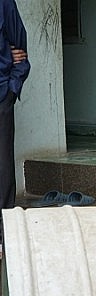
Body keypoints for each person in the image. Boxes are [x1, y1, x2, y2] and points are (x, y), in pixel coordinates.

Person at [0, 0, 30, 242]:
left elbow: (22, 53)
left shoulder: (4, 3)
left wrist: (11, 90)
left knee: (2, 164)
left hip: (0, 96)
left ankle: (5, 232)